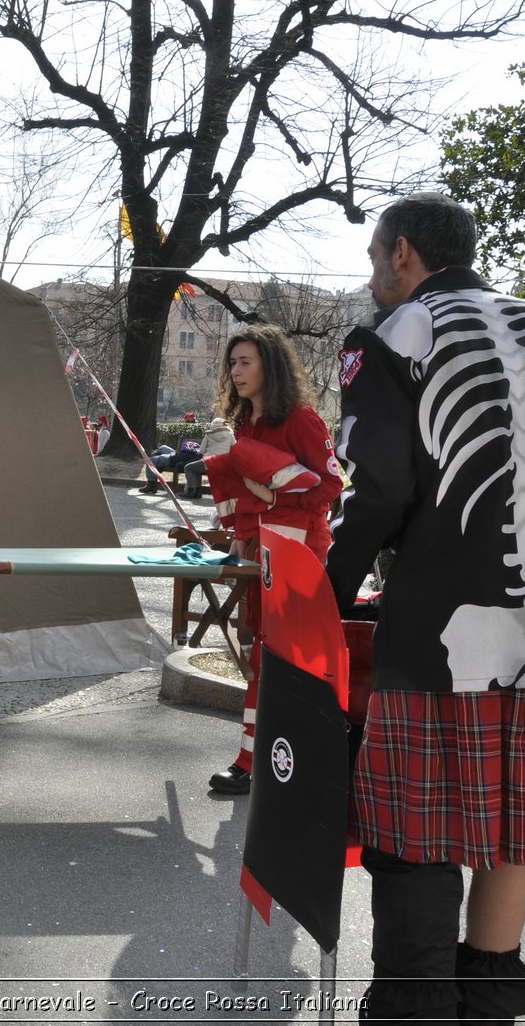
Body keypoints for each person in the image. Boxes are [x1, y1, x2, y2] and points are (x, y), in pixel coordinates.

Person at [326, 192, 525, 1022]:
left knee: (413, 836)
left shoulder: (388, 338)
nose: (371, 275)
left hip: (444, 635)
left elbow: (380, 488)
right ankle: (489, 1006)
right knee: (519, 827)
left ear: (403, 255)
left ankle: (415, 1008)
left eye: (372, 257)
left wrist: (330, 591)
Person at [204, 325, 340, 795]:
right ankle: (267, 757)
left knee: (282, 659)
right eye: (233, 363)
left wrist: (270, 487)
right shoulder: (246, 424)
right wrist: (242, 535)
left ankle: (258, 761)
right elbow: (246, 495)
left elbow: (328, 487)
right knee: (263, 657)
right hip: (262, 552)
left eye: (246, 362)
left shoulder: (301, 419)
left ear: (270, 367)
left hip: (298, 554)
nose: (236, 371)